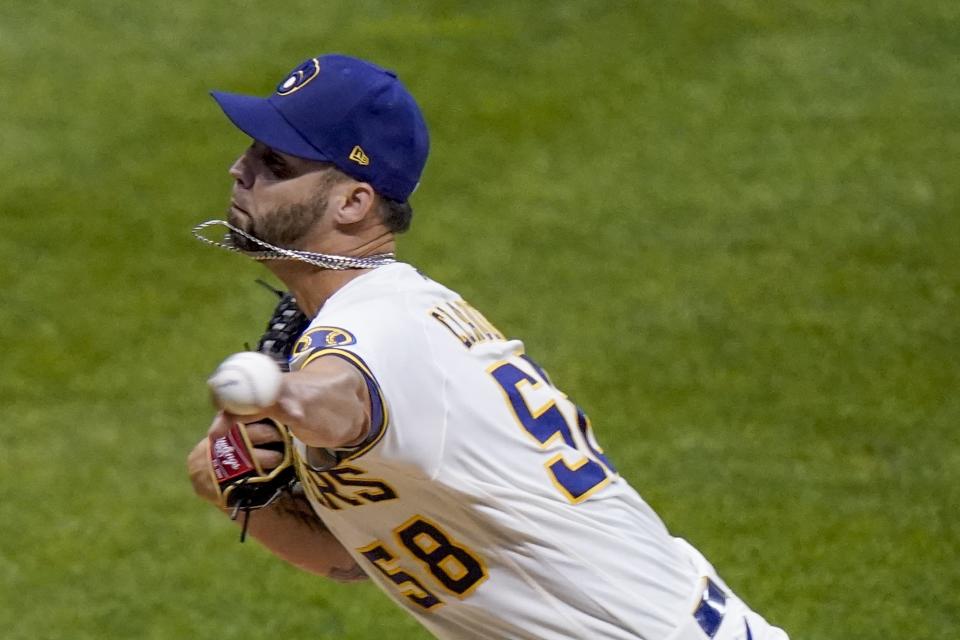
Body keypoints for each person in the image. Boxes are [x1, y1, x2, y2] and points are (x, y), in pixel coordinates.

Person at [187, 53, 789, 640]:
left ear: (353, 203)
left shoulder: (377, 328)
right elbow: (349, 559)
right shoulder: (395, 310)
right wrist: (233, 489)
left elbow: (341, 393)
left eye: (276, 163)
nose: (241, 169)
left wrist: (281, 395)